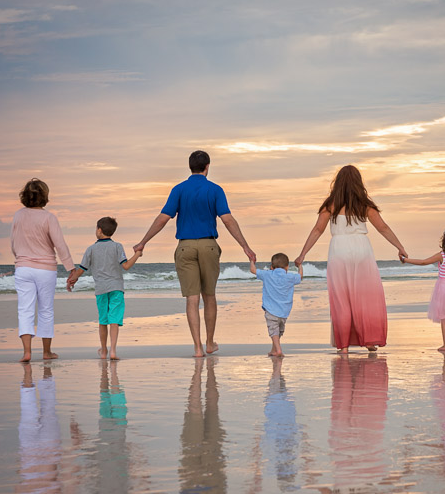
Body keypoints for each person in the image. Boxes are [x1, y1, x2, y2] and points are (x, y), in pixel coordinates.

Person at [134, 150, 256, 358]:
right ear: (208, 166)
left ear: (189, 166)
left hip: (185, 246)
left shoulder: (179, 189)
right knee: (209, 296)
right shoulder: (215, 190)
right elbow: (228, 220)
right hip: (209, 245)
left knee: (192, 298)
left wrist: (143, 242)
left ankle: (197, 347)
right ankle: (209, 343)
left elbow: (163, 218)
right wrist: (245, 246)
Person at [294, 165, 407, 353]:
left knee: (341, 300)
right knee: (366, 297)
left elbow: (318, 230)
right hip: (362, 249)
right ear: (358, 182)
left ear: (337, 183)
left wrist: (303, 253)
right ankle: (370, 341)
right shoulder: (365, 205)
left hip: (339, 249)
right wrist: (400, 247)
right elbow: (383, 228)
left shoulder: (330, 205)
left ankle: (344, 346)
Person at [11, 178, 75, 363]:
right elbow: (60, 245)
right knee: (46, 310)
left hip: (23, 267)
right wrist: (70, 268)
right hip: (46, 269)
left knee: (25, 310)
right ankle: (47, 352)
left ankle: (27, 352)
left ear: (25, 196)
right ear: (45, 196)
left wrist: (20, 258)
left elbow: (13, 242)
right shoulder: (49, 218)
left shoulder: (18, 215)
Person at [66, 216, 143, 360]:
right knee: (114, 320)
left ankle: (103, 351)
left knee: (103, 320)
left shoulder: (91, 249)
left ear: (99, 230)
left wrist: (72, 279)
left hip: (101, 289)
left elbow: (81, 269)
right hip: (116, 288)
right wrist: (137, 254)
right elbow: (126, 266)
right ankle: (113, 350)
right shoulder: (117, 246)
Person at [402, 227, 445, 351]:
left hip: (444, 288)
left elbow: (424, 262)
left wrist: (406, 260)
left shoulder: (443, 255)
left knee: (444, 316)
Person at [249, 252, 303, 357]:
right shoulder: (290, 277)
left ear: (271, 267)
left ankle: (278, 350)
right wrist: (300, 265)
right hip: (284, 311)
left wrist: (252, 261)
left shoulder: (267, 274)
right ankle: (274, 349)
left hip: (271, 309)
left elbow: (253, 270)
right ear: (287, 267)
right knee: (279, 331)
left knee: (273, 330)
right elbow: (300, 276)